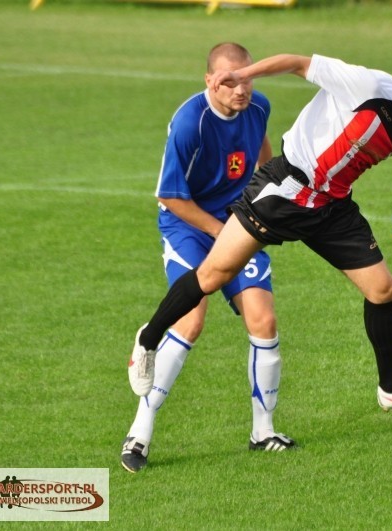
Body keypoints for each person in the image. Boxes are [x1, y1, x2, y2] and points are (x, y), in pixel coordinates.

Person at [127, 54, 392, 422]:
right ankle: (148, 338)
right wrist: (241, 74)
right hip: (286, 191)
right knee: (213, 276)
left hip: (332, 207)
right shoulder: (370, 87)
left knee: (383, 291)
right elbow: (297, 62)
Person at [122, 43, 294, 474]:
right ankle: (139, 432)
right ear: (209, 82)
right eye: (229, 81)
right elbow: (169, 196)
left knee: (264, 319)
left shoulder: (258, 108)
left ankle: (263, 431)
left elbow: (262, 150)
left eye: (247, 78)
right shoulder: (189, 123)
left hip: (234, 220)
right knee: (191, 319)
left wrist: (268, 198)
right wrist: (224, 234)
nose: (241, 89)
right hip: (188, 224)